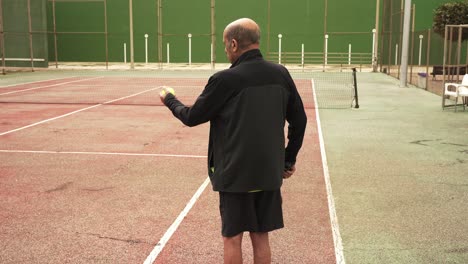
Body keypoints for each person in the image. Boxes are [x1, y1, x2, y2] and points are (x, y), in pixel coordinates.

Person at [159, 18, 307, 264]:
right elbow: (299, 121)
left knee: (232, 237)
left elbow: (192, 117)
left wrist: (170, 100)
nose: (226, 51)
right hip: (268, 172)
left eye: (226, 46)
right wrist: (287, 159)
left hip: (235, 174)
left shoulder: (224, 80)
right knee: (261, 236)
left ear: (235, 44)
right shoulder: (280, 74)